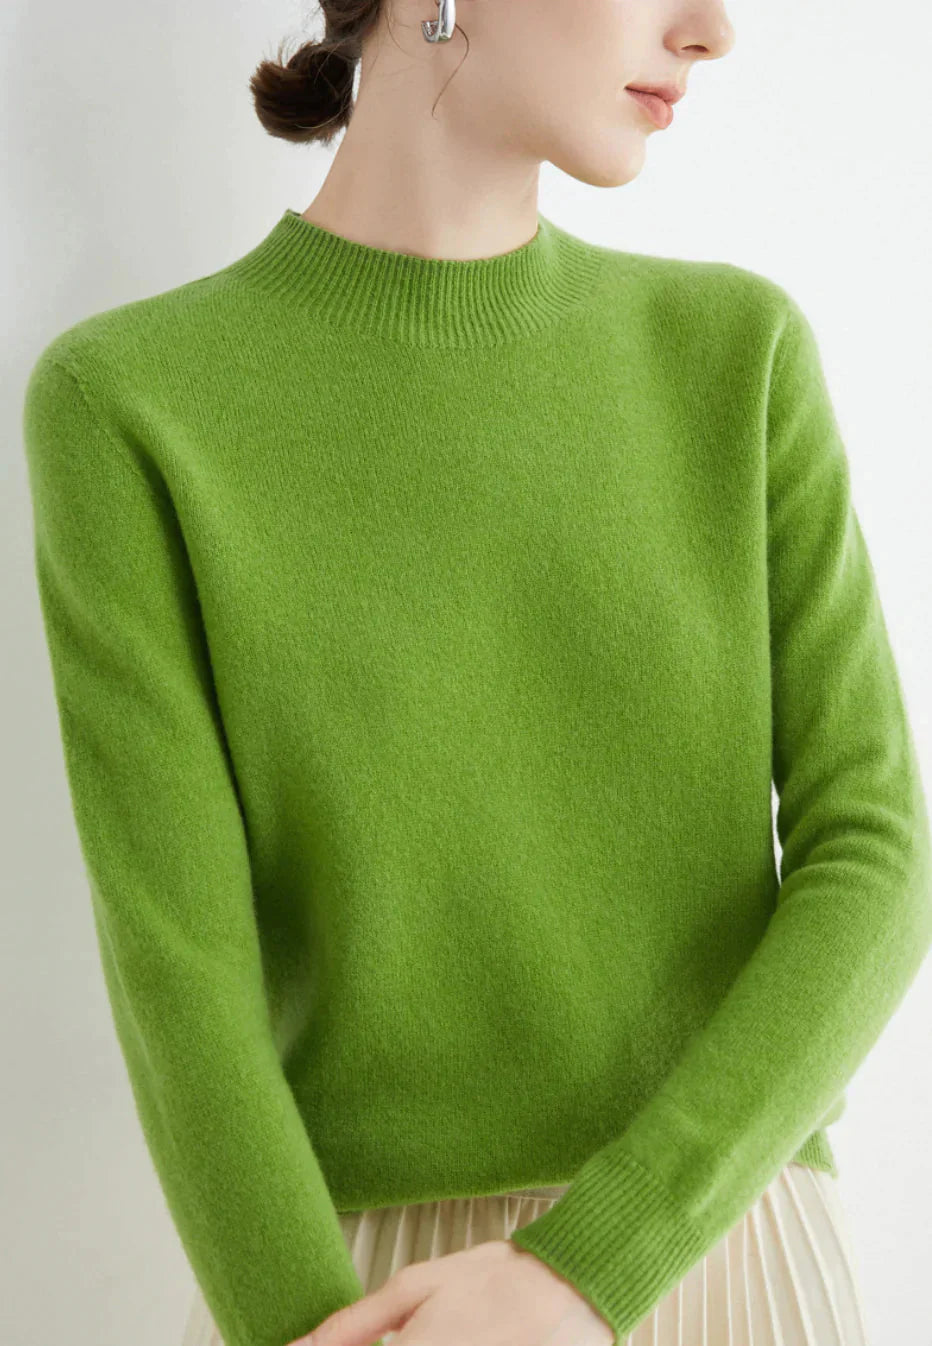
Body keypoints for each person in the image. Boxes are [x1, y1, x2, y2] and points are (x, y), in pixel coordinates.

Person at [21, 1, 931, 1344]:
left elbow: (878, 853)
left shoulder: (735, 354)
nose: (712, 29)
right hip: (351, 1286)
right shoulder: (131, 401)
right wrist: (304, 1324)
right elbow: (180, 968)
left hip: (720, 1249)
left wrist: (588, 1266)